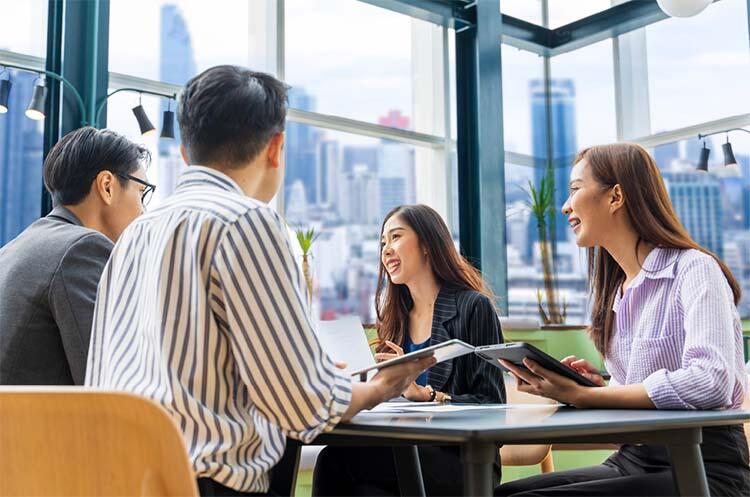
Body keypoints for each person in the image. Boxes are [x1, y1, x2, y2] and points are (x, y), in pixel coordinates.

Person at [84, 66, 434, 497]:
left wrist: (305, 371)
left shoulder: (134, 234)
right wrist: (383, 385)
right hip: (204, 485)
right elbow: (307, 408)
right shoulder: (246, 221)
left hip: (116, 479)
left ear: (186, 154)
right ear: (276, 147)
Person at [495, 143, 750, 497]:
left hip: (706, 467)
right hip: (632, 458)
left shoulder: (694, 269)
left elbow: (711, 381)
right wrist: (599, 389)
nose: (565, 206)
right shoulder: (617, 293)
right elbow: (631, 418)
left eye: (575, 189)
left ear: (616, 196)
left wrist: (585, 397)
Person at [313, 204, 506, 496]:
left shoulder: (473, 307)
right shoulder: (395, 318)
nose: (386, 250)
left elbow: (494, 406)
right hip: (403, 449)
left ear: (428, 245)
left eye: (396, 237)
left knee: (335, 461)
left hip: (460, 460)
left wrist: (429, 396)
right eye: (383, 243)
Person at [0, 126, 151, 386]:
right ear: (107, 186)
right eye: (141, 193)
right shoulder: (81, 249)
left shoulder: (15, 247)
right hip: (43, 426)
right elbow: (108, 382)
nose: (144, 210)